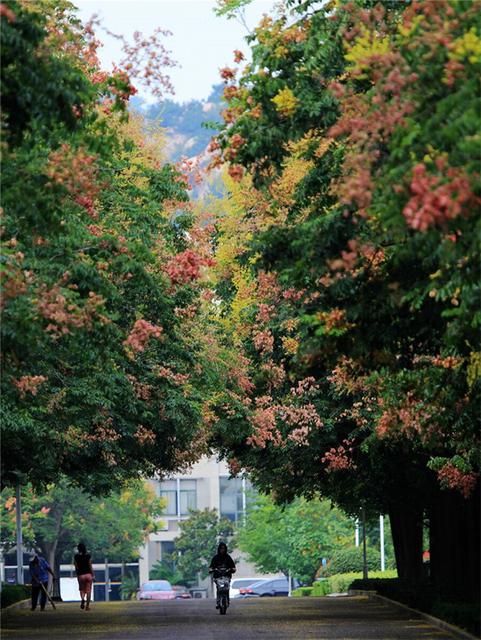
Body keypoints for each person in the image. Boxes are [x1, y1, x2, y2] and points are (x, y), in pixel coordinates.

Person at [209, 542, 236, 609]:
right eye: (221, 548)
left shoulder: (228, 557)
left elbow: (233, 566)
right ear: (219, 549)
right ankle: (218, 602)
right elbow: (211, 566)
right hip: (217, 577)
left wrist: (232, 569)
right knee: (219, 588)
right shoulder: (215, 558)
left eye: (224, 549)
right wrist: (211, 569)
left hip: (227, 576)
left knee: (227, 588)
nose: (222, 550)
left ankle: (227, 599)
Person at [74, 543, 95, 610]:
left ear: (78, 549)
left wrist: (77, 574)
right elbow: (90, 565)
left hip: (81, 575)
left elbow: (76, 566)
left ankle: (82, 599)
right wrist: (93, 575)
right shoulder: (88, 556)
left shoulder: (76, 557)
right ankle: (87, 606)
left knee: (82, 590)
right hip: (88, 575)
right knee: (89, 591)